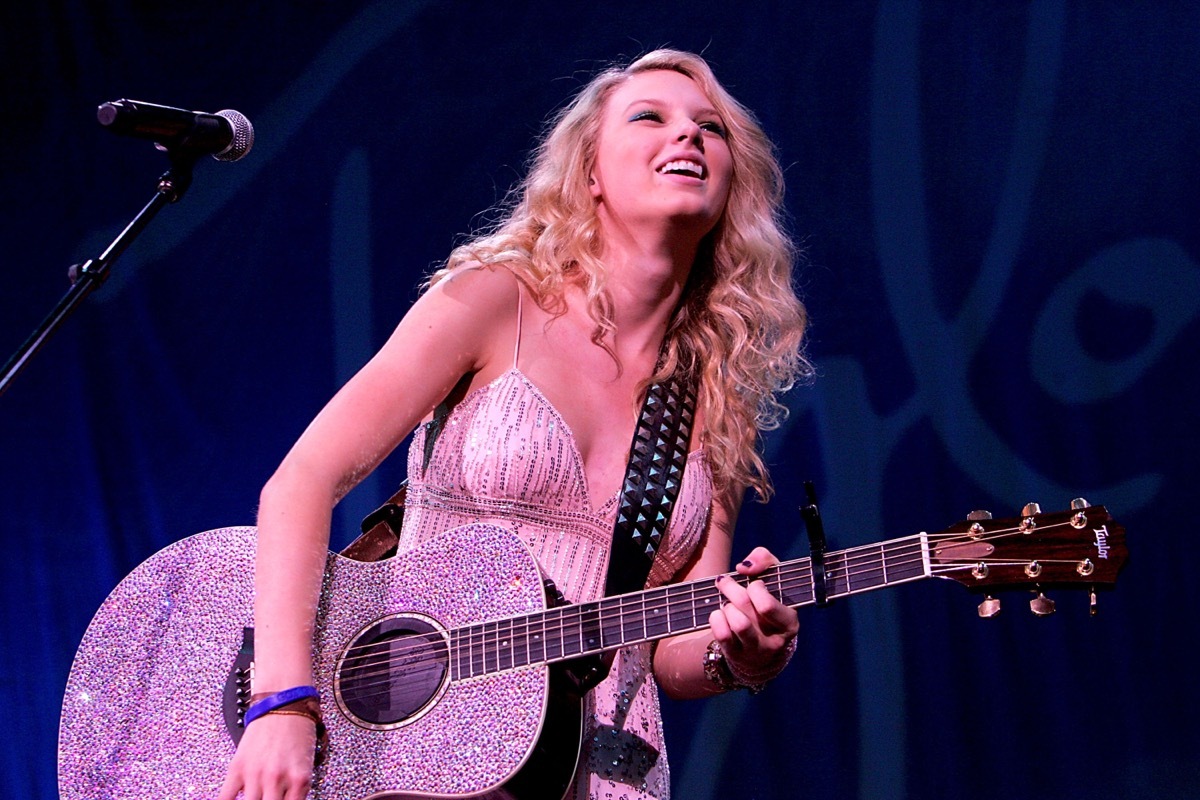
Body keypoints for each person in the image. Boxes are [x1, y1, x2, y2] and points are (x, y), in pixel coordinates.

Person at [219, 48, 809, 800]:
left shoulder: (717, 395)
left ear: (733, 185)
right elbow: (301, 482)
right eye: (649, 117)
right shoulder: (498, 300)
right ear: (589, 172)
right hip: (418, 751)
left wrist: (744, 654)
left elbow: (672, 651)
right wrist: (281, 699)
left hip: (599, 770)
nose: (687, 136)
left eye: (711, 128)